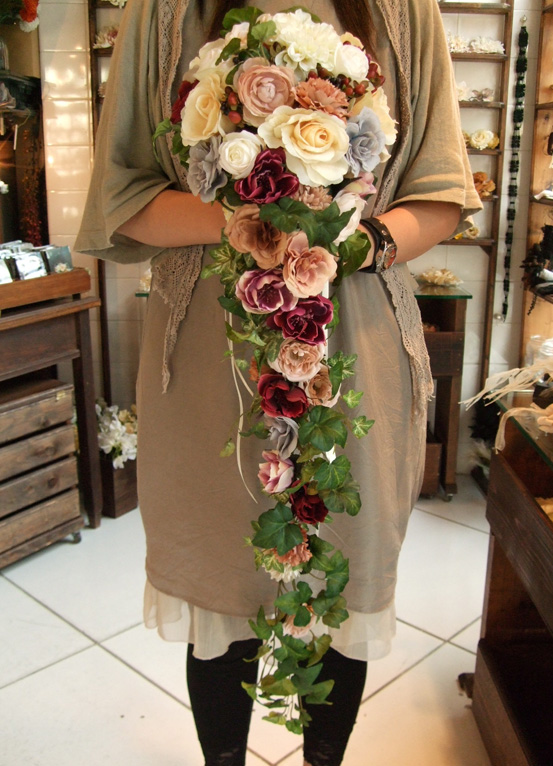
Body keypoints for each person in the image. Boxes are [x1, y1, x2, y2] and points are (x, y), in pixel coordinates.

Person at [76, 1, 481, 763]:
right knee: (217, 579)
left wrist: (349, 243)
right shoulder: (162, 10)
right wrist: (248, 222)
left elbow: (438, 192)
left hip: (357, 339)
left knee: (342, 576)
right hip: (206, 350)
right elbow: (122, 200)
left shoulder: (405, 10)